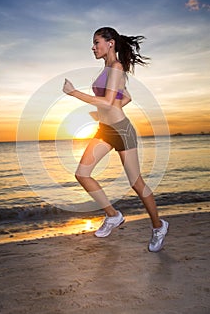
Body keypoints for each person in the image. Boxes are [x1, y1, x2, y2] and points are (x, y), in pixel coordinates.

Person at [63, 27, 169, 252]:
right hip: (105, 130)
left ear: (110, 43)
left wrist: (74, 93)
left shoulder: (117, 67)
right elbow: (125, 97)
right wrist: (108, 111)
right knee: (82, 174)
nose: (93, 47)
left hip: (121, 131)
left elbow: (110, 102)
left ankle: (159, 226)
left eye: (96, 42)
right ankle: (113, 215)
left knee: (136, 184)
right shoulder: (107, 69)